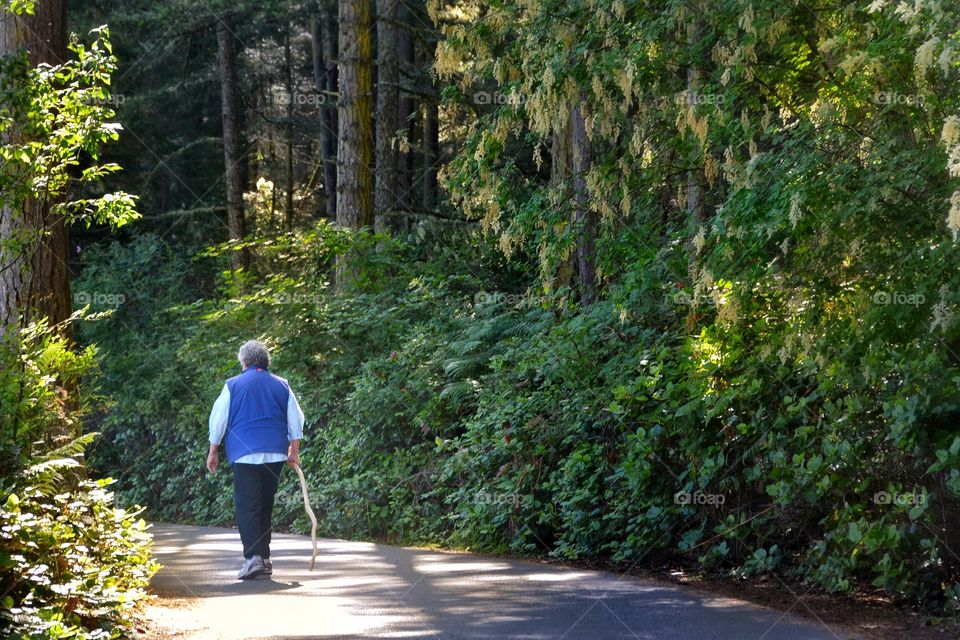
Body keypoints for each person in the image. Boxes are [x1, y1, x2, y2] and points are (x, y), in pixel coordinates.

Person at [206, 340, 305, 580]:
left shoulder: (233, 385)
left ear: (244, 362)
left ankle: (253, 559)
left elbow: (218, 420)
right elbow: (296, 420)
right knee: (264, 504)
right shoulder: (282, 385)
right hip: (275, 453)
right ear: (265, 361)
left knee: (248, 505)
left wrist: (213, 450)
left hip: (244, 453)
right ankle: (265, 557)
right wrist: (294, 450)